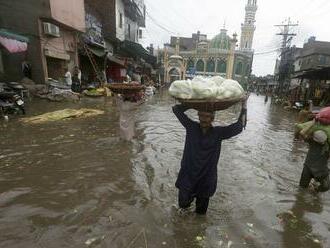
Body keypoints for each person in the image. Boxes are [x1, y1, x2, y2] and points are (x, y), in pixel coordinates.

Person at [172, 99, 247, 215]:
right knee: (182, 208)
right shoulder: (191, 127)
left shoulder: (218, 133)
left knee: (200, 215)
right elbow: (176, 109)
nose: (203, 119)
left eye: (207, 116)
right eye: (201, 115)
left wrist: (244, 106)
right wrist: (194, 104)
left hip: (206, 179)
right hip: (188, 176)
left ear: (212, 118)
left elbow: (239, 126)